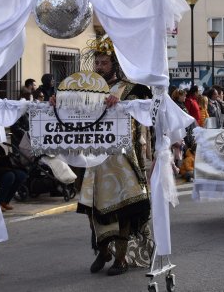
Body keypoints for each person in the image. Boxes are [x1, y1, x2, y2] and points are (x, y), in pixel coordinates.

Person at [76, 36, 152, 276]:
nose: (99, 67)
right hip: (94, 159)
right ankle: (103, 250)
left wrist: (120, 103)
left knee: (124, 210)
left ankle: (121, 258)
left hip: (122, 159)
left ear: (114, 65)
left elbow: (146, 111)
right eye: (97, 63)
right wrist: (58, 101)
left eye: (104, 63)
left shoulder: (131, 90)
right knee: (93, 209)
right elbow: (70, 114)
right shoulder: (86, 89)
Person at [0, 145, 27, 212]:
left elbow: (3, 159)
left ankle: (5, 201)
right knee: (9, 176)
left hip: (1, 168)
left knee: (21, 175)